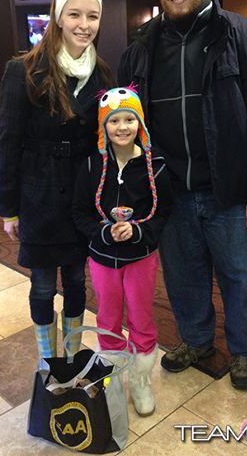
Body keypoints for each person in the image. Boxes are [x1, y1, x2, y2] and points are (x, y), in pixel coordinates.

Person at [117, 0, 247, 390]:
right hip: (170, 192)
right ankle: (195, 339)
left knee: (241, 278)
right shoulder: (141, 48)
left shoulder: (243, 36)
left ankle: (245, 350)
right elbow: (124, 126)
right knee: (183, 276)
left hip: (232, 193)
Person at [0, 0, 114, 368]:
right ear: (58, 18)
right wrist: (8, 209)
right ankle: (49, 358)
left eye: (92, 16)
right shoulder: (24, 70)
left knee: (78, 281)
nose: (84, 24)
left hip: (82, 195)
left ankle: (74, 351)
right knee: (44, 284)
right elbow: (7, 143)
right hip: (39, 195)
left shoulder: (103, 74)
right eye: (75, 14)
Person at [72, 86, 173, 416]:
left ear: (140, 124)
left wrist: (139, 231)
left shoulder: (154, 166)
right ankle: (114, 376)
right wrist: (101, 231)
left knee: (142, 316)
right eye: (114, 121)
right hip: (102, 258)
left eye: (130, 119)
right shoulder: (91, 166)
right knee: (108, 315)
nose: (122, 127)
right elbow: (80, 212)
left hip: (141, 257)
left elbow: (163, 211)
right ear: (104, 127)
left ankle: (141, 380)